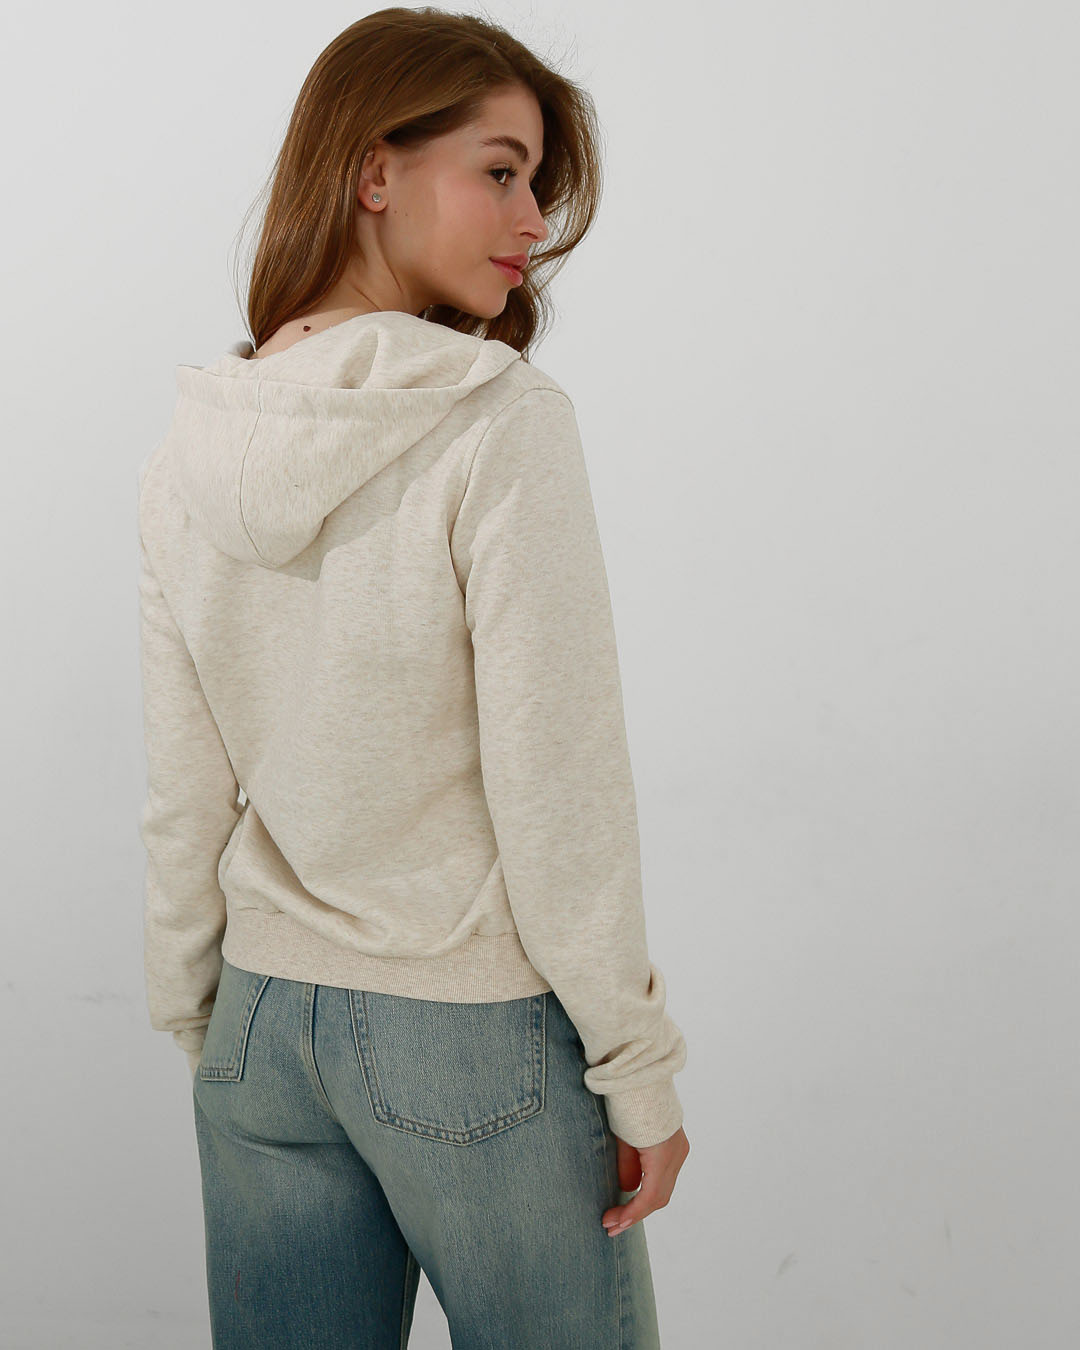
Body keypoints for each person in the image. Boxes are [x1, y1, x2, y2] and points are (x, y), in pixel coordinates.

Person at [136, 9, 690, 1347]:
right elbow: (558, 782)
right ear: (373, 171)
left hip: (262, 1026)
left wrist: (201, 1016)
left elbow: (183, 788)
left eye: (537, 182)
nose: (533, 220)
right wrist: (638, 1069)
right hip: (472, 1028)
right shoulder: (496, 422)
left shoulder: (192, 444)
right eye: (500, 171)